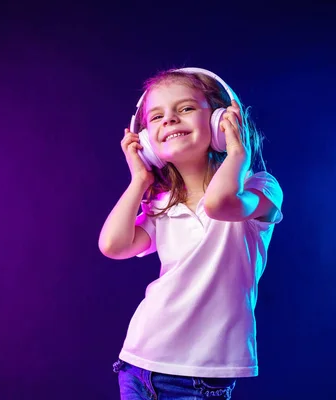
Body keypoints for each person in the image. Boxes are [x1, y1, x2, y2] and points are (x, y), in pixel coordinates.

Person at [98, 67, 284, 399]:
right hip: (139, 360)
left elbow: (219, 204)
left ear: (219, 122)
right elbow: (113, 244)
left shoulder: (259, 188)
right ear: (146, 142)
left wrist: (237, 152)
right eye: (156, 116)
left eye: (184, 108)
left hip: (199, 376)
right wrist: (139, 179)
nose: (169, 120)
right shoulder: (163, 204)